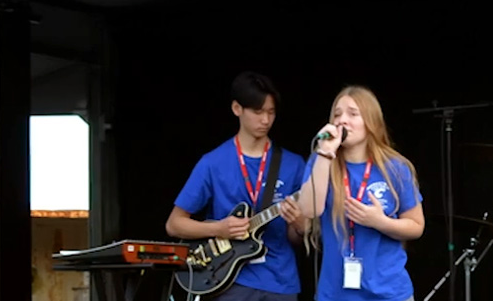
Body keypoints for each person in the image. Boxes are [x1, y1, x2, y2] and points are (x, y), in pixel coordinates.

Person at [166, 71, 308, 301]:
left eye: (271, 112)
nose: (266, 120)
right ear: (237, 109)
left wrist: (300, 226)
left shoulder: (294, 164)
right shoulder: (213, 163)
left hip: (281, 281)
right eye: (258, 111)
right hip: (228, 280)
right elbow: (174, 224)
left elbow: (295, 238)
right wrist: (218, 229)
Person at [295, 86, 424, 301]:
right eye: (337, 114)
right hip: (335, 293)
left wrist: (380, 222)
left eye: (353, 114)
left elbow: (416, 226)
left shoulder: (395, 168)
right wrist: (325, 153)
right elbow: (309, 209)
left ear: (370, 121)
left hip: (389, 293)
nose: (342, 120)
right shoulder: (321, 161)